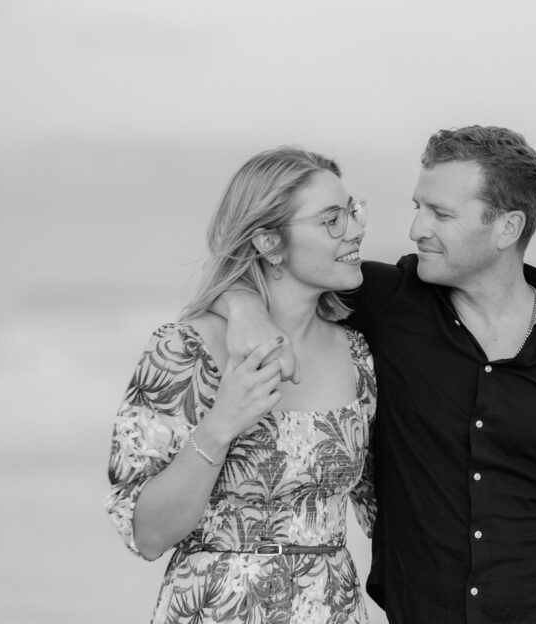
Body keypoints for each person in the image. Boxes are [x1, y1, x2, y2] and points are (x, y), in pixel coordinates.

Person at [219, 126, 536, 623]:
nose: (416, 229)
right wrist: (242, 308)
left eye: (441, 214)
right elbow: (269, 264)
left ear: (507, 228)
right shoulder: (388, 302)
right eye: (418, 206)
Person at [105, 147, 380, 623]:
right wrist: (221, 424)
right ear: (270, 243)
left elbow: (386, 507)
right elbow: (146, 534)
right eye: (330, 219)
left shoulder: (359, 354)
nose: (355, 229)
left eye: (352, 211)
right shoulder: (184, 352)